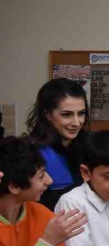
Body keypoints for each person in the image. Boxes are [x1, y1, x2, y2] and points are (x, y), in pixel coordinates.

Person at [27, 78, 89, 211]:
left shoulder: (92, 146)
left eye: (81, 114)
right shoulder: (31, 152)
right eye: (67, 115)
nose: (76, 122)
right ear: (47, 114)